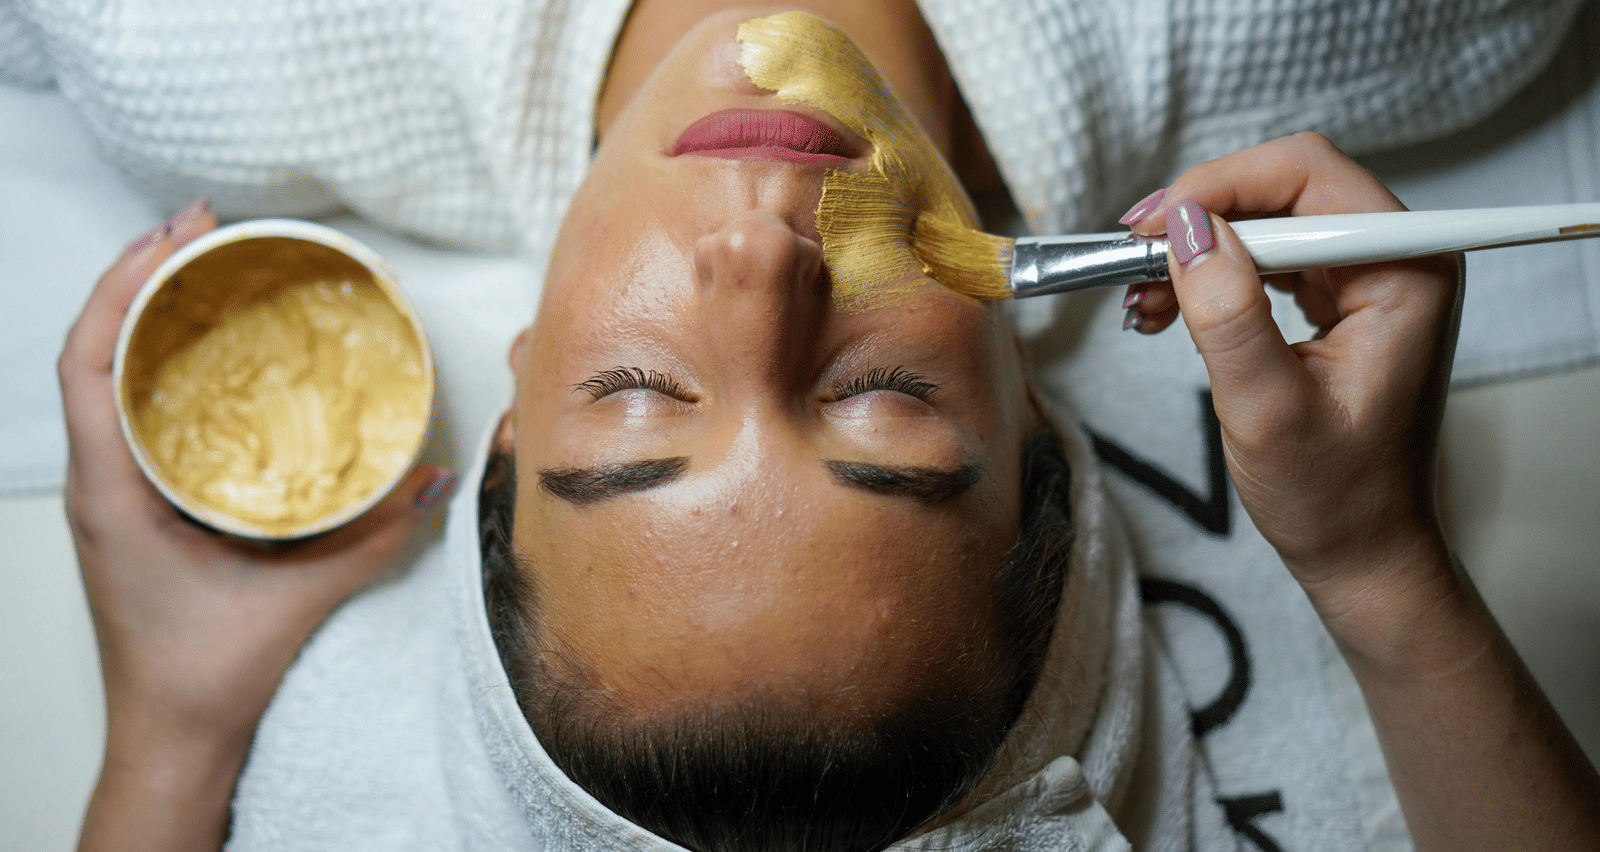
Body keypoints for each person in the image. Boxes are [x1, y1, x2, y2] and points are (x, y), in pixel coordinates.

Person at [47, 1, 1599, 850]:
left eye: (638, 391)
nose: (760, 264)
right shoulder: (1392, 19)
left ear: (514, 394)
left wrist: (169, 735)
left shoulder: (179, 42)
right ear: (1033, 401)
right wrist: (1378, 565)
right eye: (881, 397)